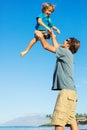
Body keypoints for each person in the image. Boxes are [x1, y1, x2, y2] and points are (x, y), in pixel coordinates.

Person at [35, 30, 80, 130]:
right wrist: (52, 36)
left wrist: (40, 37)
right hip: (72, 93)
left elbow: (47, 47)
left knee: (59, 121)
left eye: (66, 40)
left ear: (68, 44)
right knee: (72, 120)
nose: (64, 40)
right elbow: (56, 46)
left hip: (66, 93)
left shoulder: (65, 52)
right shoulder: (68, 54)